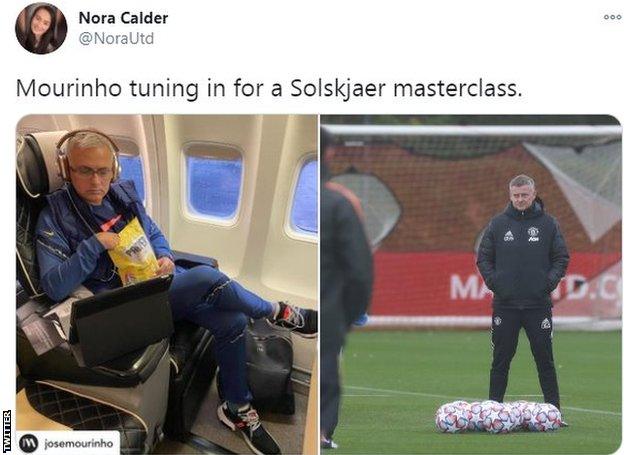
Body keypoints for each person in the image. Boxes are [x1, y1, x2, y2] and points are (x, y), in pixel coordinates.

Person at [35, 129, 317, 455]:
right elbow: (54, 286)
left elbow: (152, 233)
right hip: (122, 307)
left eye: (103, 171)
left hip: (157, 286)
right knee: (205, 276)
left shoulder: (120, 196)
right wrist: (94, 245)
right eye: (84, 170)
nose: (96, 181)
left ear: (115, 170)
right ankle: (277, 312)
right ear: (66, 169)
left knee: (233, 322)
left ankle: (237, 410)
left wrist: (165, 255)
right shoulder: (54, 216)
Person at [476, 174, 569, 419]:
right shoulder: (497, 224)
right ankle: (493, 413)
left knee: (545, 360)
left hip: (538, 305)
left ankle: (554, 414)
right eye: (515, 195)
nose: (520, 199)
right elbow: (483, 258)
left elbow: (561, 258)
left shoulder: (549, 224)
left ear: (533, 193)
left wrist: (547, 283)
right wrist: (496, 283)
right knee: (500, 360)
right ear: (510, 196)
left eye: (524, 195)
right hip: (505, 305)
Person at [320, 127, 374, 449]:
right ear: (331, 153)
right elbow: (359, 270)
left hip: (327, 310)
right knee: (328, 379)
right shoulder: (341, 202)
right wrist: (350, 314)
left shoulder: (337, 202)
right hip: (332, 313)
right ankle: (323, 435)